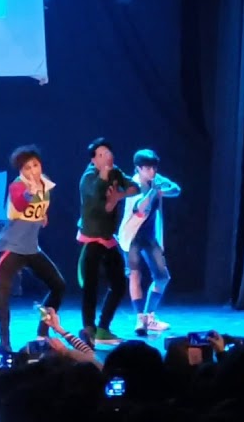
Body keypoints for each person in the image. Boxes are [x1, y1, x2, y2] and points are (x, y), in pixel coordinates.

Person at [0, 145, 68, 351]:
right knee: (3, 292)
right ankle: (4, 342)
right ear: (21, 171)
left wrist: (42, 215)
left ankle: (43, 332)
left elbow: (38, 207)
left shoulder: (45, 183)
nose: (32, 171)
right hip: (11, 246)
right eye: (27, 168)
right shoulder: (18, 186)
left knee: (58, 285)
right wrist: (28, 195)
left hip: (31, 248)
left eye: (35, 165)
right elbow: (20, 203)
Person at [76, 138, 138, 347]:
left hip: (108, 239)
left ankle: (103, 328)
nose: (107, 157)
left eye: (108, 152)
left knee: (119, 285)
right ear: (93, 160)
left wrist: (119, 196)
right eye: (101, 154)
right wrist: (108, 194)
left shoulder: (116, 172)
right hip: (91, 238)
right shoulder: (88, 178)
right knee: (90, 286)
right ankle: (89, 328)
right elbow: (96, 196)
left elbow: (136, 187)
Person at [118, 149, 181, 335]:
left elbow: (176, 189)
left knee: (162, 276)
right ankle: (140, 319)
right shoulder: (133, 185)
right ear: (138, 168)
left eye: (154, 168)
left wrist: (161, 190)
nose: (152, 171)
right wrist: (154, 192)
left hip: (150, 236)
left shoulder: (156, 179)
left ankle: (149, 316)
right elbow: (140, 209)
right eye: (147, 168)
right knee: (135, 275)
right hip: (132, 236)